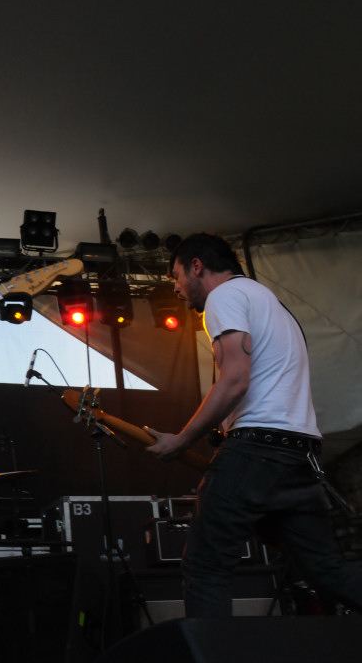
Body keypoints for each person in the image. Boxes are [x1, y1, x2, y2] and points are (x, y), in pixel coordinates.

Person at [145, 233, 362, 617]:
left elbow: (235, 379)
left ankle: (211, 649)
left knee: (205, 567)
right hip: (301, 455)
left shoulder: (224, 297)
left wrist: (182, 440)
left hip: (257, 448)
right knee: (328, 571)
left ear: (197, 266)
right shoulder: (270, 303)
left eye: (176, 276)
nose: (176, 288)